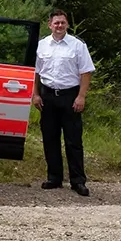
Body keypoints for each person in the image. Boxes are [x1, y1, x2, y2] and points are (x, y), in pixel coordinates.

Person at [31, 10, 94, 196]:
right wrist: (35, 95)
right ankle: (54, 178)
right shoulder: (41, 45)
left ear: (67, 25)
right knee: (50, 139)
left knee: (73, 140)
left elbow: (86, 72)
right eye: (56, 23)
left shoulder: (77, 46)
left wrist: (81, 96)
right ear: (50, 24)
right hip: (47, 96)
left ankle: (78, 181)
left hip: (70, 97)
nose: (59, 26)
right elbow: (35, 73)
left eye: (63, 23)